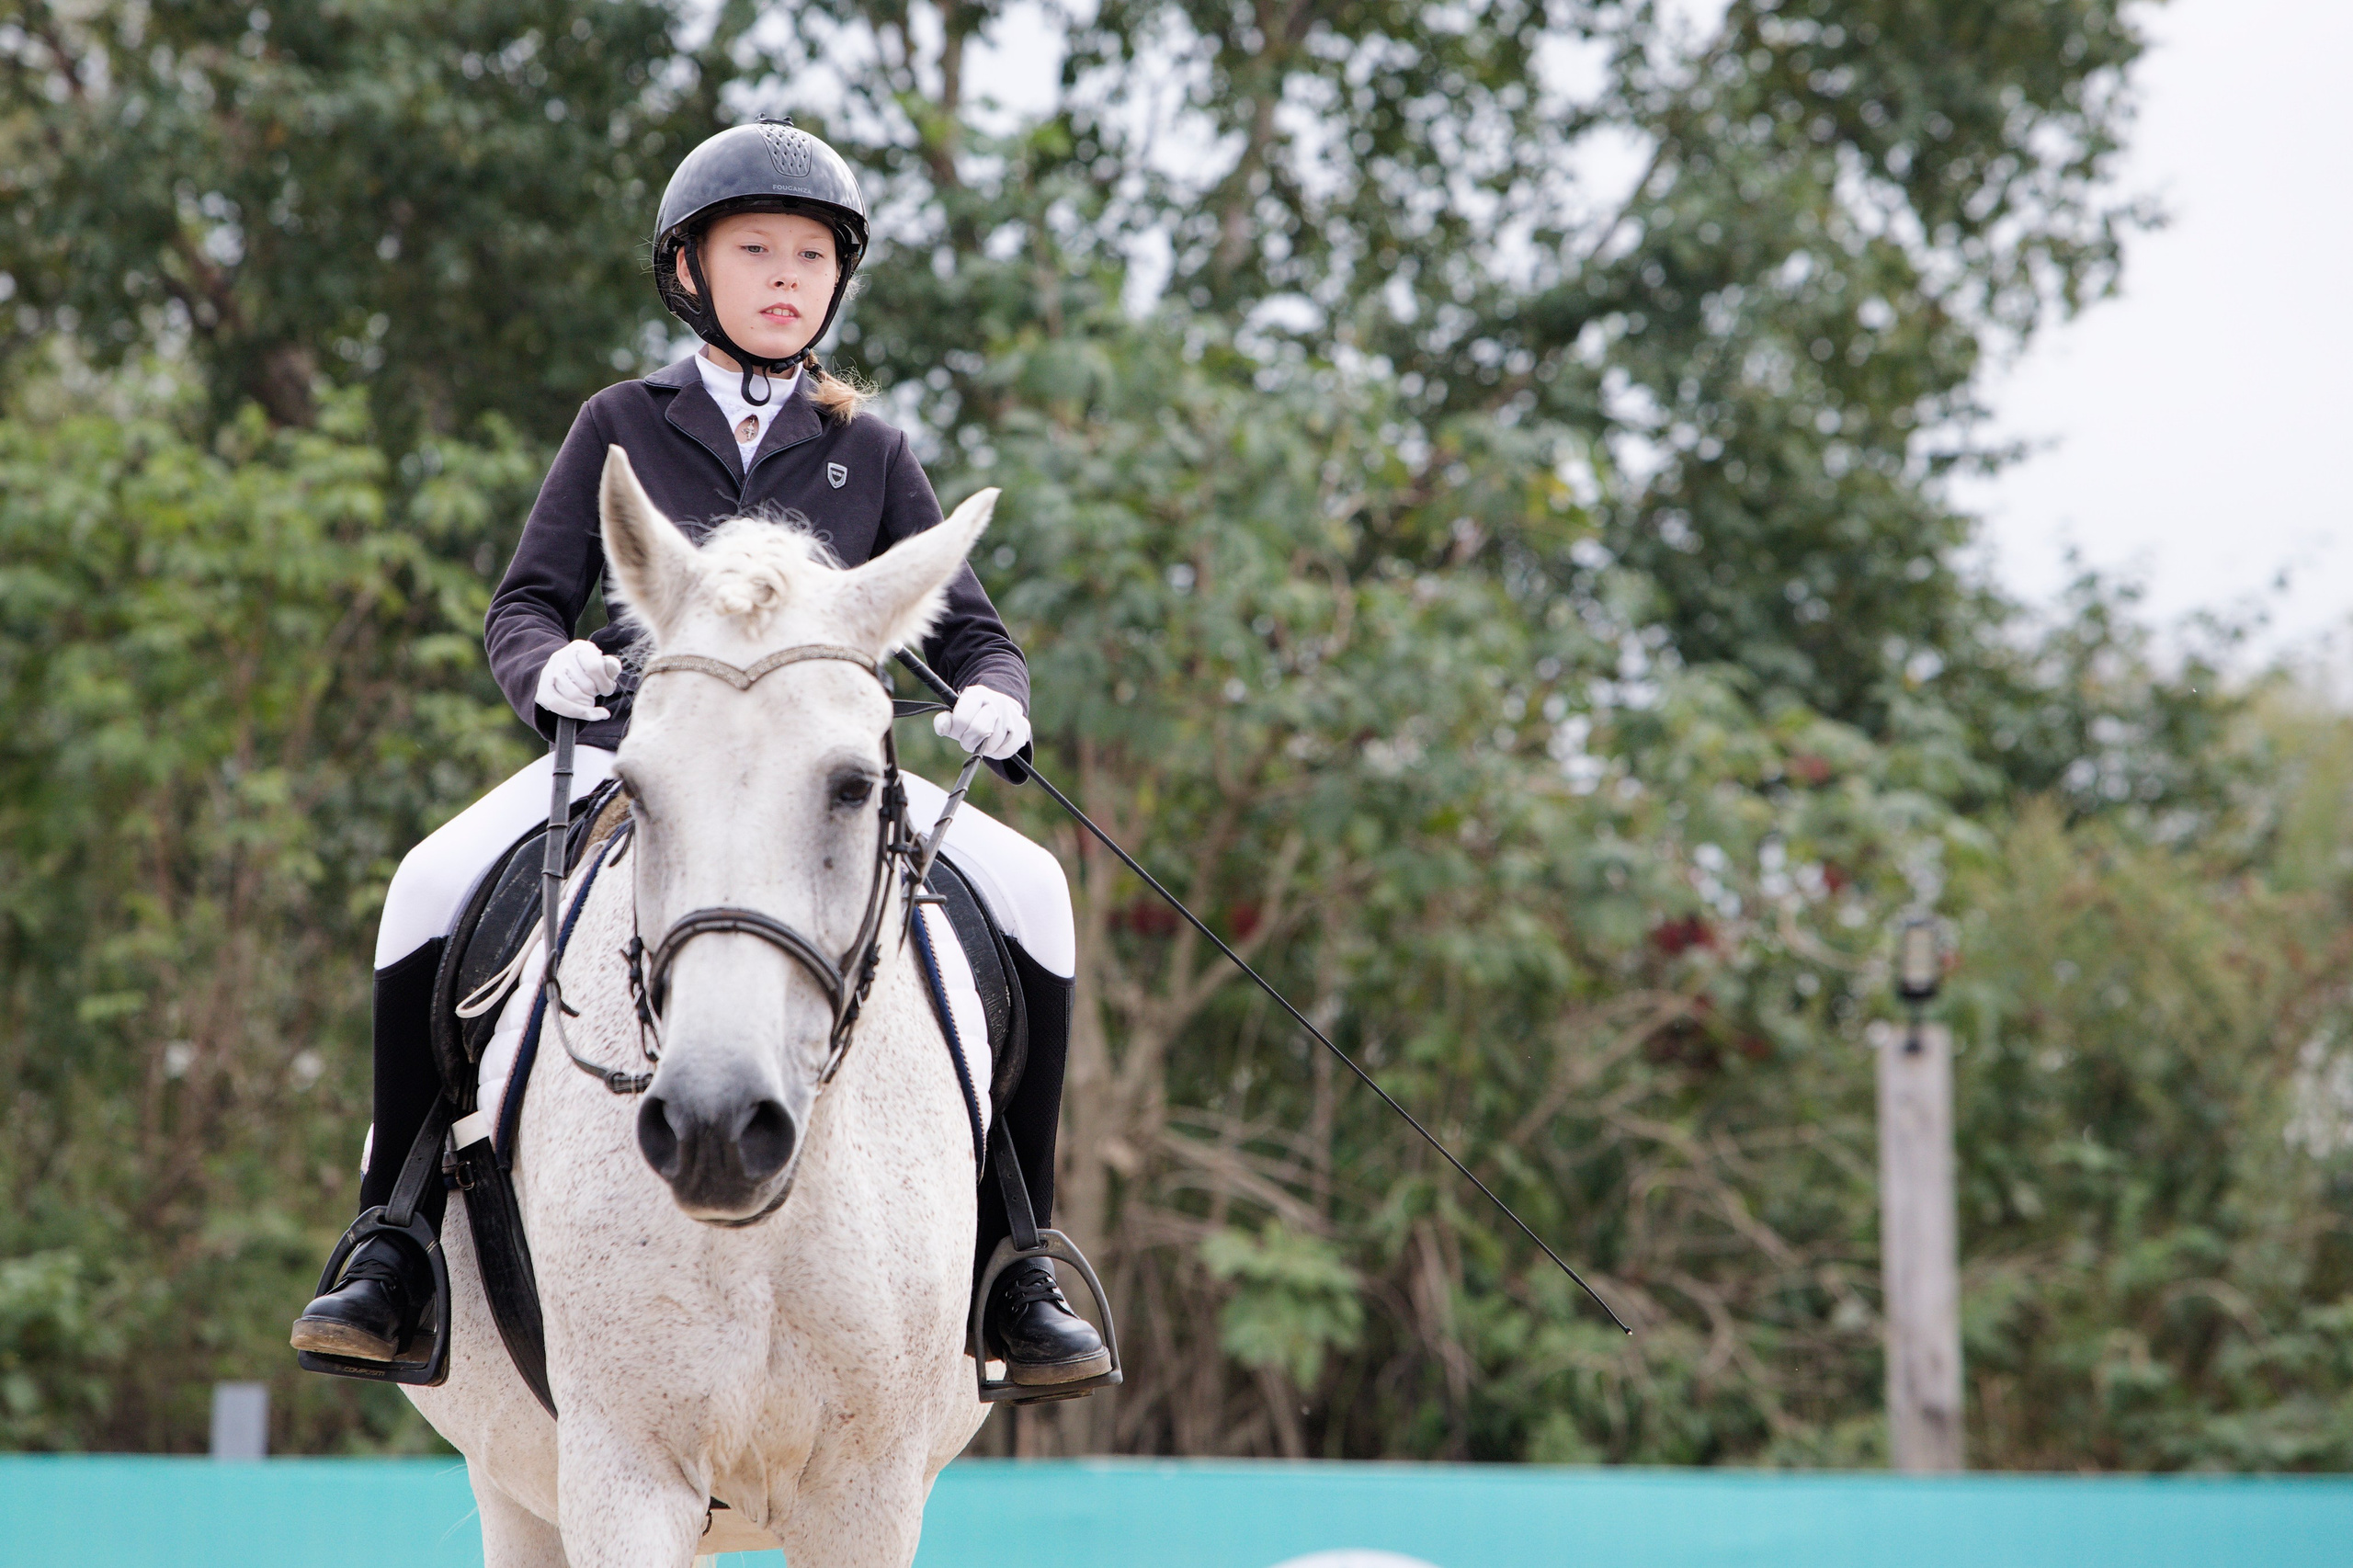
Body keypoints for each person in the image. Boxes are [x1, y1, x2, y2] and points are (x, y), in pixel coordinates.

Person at [290, 118, 1108, 1390]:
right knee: (425, 883)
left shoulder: (872, 449)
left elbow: (975, 635)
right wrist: (541, 670)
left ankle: (1018, 1258)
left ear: (836, 282)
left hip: (813, 793)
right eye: (756, 250)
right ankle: (392, 1237)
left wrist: (1000, 702)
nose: (787, 276)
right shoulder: (623, 418)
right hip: (641, 765)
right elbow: (525, 602)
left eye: (810, 256)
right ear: (692, 271)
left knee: (1038, 899)